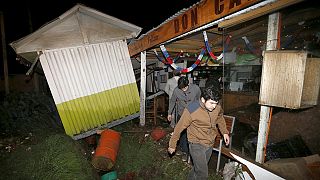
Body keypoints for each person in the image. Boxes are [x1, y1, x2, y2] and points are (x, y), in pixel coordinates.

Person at [168, 84, 230, 180]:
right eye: (211, 103)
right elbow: (179, 128)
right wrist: (172, 144)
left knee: (198, 168)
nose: (214, 106)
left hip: (209, 143)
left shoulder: (216, 107)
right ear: (203, 99)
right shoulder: (192, 109)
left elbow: (220, 117)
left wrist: (224, 132)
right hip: (196, 143)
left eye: (216, 103)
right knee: (202, 174)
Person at [167, 76, 201, 158]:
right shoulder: (176, 90)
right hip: (181, 113)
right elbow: (172, 101)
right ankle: (183, 150)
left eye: (184, 88)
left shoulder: (195, 88)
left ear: (188, 84)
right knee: (181, 132)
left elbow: (199, 100)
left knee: (190, 133)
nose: (183, 90)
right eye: (181, 88)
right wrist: (169, 113)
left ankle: (188, 152)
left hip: (193, 114)